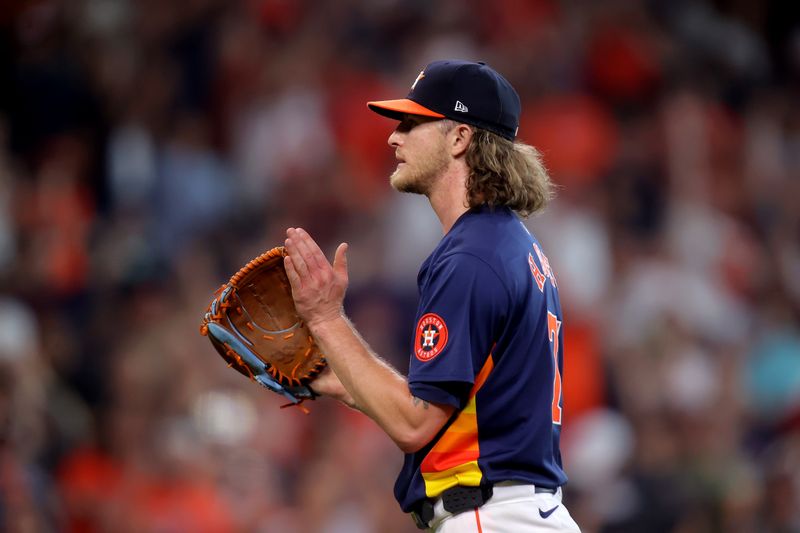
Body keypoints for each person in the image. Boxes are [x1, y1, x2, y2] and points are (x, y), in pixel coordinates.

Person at [283, 59, 580, 532]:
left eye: (413, 122)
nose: (393, 138)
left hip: (492, 516)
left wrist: (324, 318)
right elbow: (461, 406)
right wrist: (349, 383)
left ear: (460, 138)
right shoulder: (507, 244)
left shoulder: (471, 258)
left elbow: (412, 425)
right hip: (523, 513)